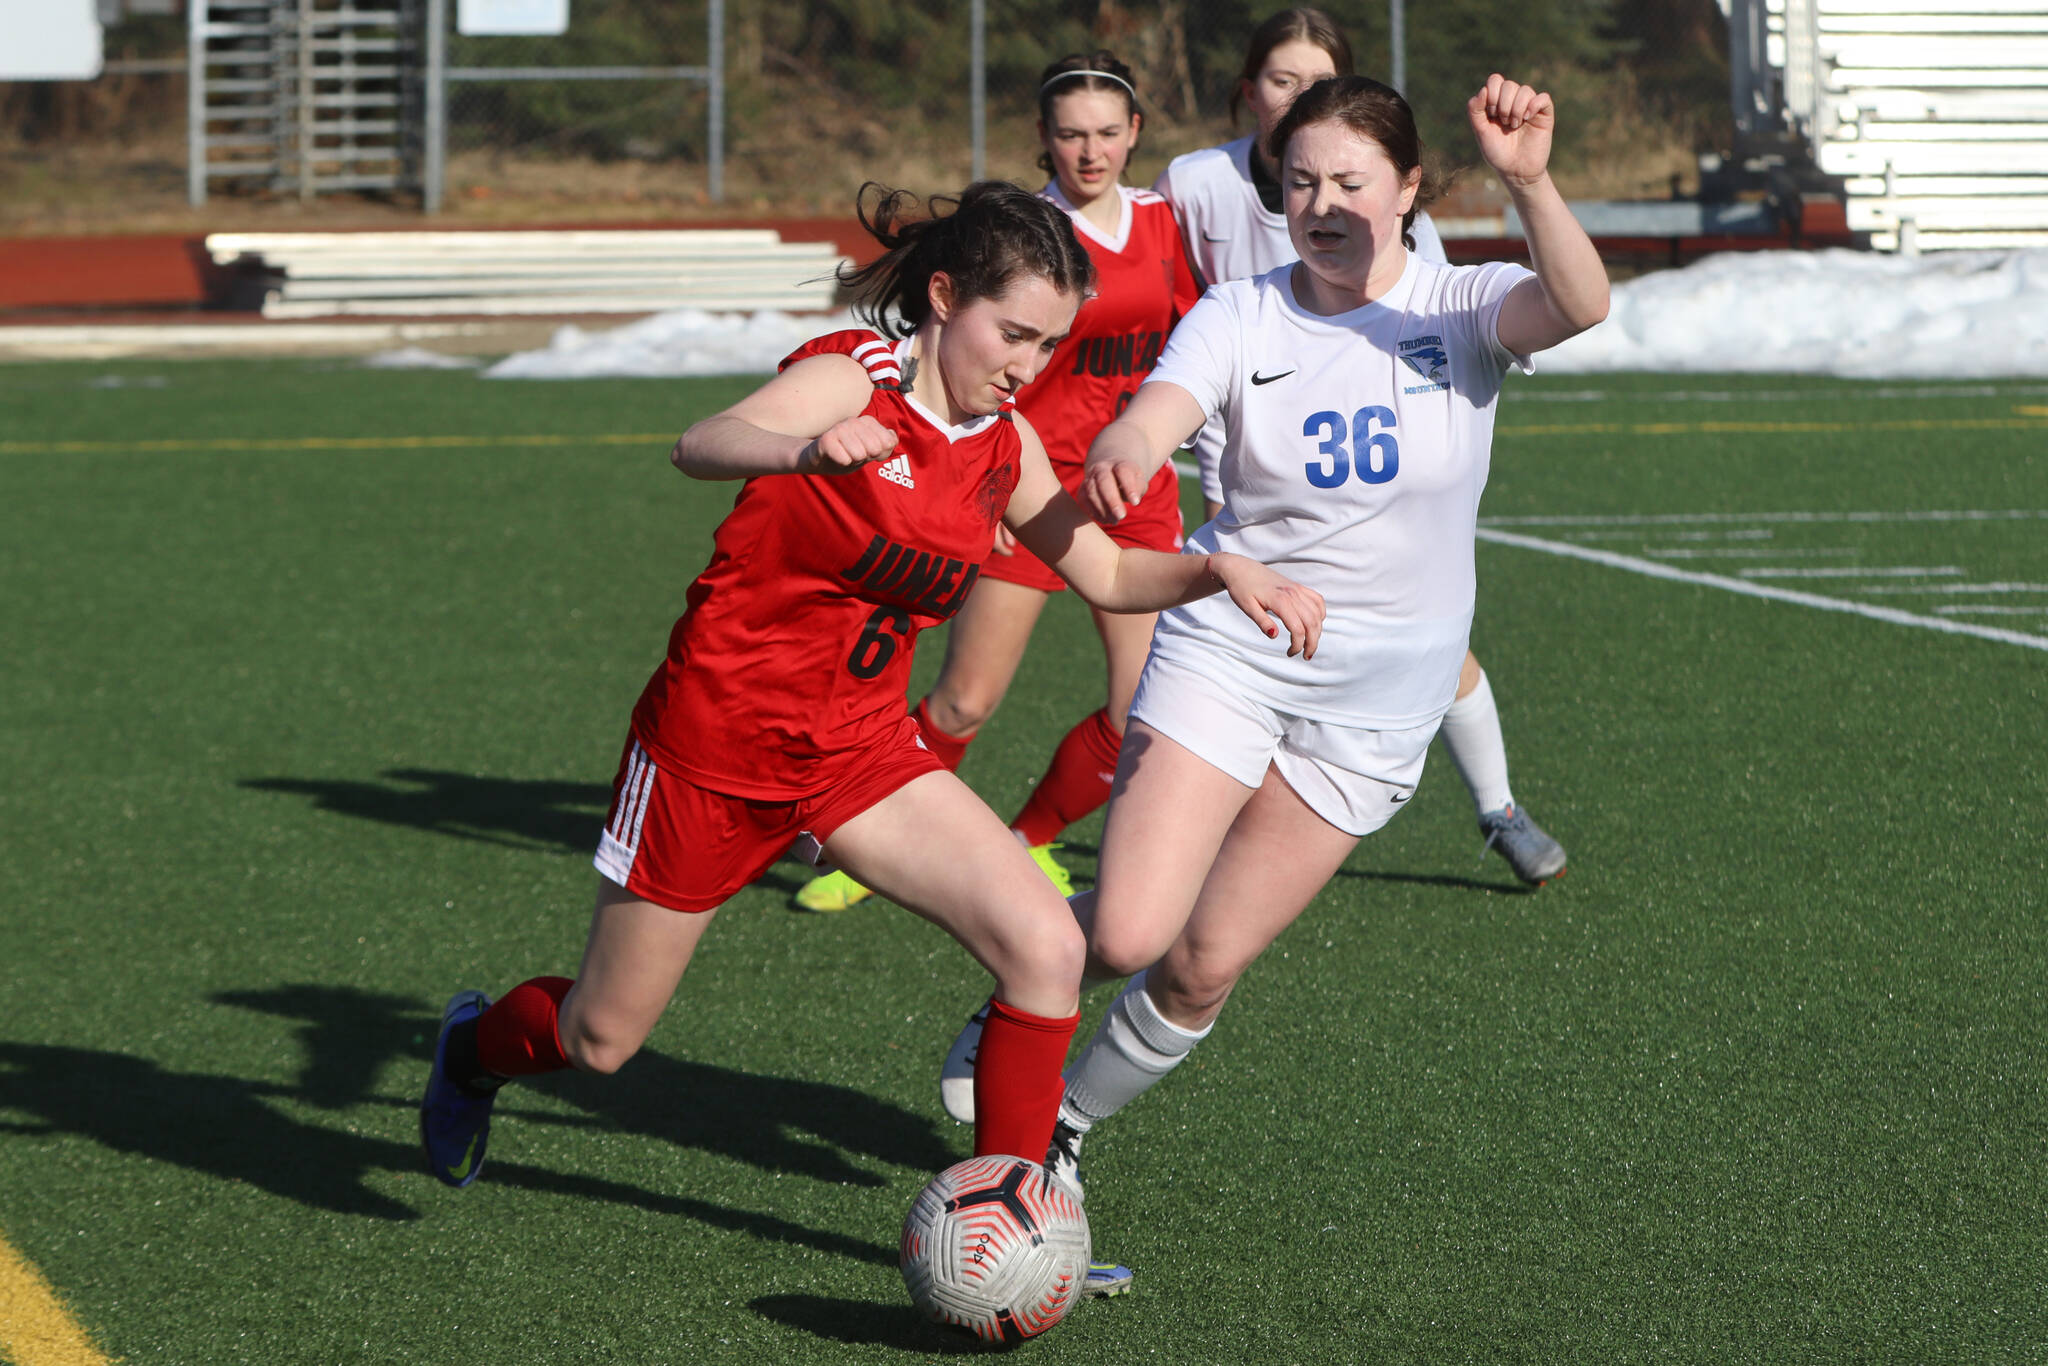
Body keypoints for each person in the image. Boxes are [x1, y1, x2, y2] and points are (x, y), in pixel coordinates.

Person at [417, 180, 1324, 1297]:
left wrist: (1217, 568)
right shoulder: (857, 374)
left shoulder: (1003, 443)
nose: (1028, 365)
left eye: (1049, 343)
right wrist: (802, 452)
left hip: (859, 750)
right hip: (713, 750)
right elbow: (701, 442)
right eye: (1013, 333)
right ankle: (472, 1049)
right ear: (944, 297)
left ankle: (1021, 1219)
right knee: (600, 1039)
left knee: (1045, 947)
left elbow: (1105, 570)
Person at [950, 73, 1608, 1255]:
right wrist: (1126, 443)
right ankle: (1030, 984)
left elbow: (1579, 302)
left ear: (1406, 188)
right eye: (1300, 181)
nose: (1322, 204)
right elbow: (1160, 404)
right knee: (1127, 933)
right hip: (1234, 648)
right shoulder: (1241, 315)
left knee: (1200, 967)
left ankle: (1059, 1131)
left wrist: (1529, 182)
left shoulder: (1460, 303)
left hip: (1380, 698)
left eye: (1350, 180)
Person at [1156, 7, 1566, 885]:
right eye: (1282, 81)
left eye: (1316, 82)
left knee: (1399, 615)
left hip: (1377, 508)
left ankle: (1496, 803)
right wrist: (1141, 424)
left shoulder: (1429, 276)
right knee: (1245, 609)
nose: (1298, 96)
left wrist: (1530, 184)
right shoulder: (1196, 186)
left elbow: (1550, 305)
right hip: (1240, 431)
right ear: (1251, 93)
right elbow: (1157, 292)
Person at [794, 51, 1202, 914]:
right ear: (1043, 137)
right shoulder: (1028, 237)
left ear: (1135, 133)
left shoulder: (1169, 223)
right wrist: (988, 486)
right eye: (1070, 134)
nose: (1089, 151)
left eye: (1106, 132)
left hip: (1133, 491)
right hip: (1026, 493)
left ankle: (1030, 839)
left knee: (1140, 709)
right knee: (965, 699)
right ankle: (862, 841)